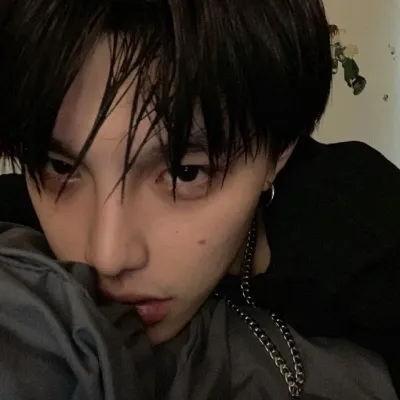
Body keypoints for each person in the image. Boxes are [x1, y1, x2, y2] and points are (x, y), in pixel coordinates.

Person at [0, 0, 399, 397]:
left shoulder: (369, 240)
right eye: (62, 167)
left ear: (278, 153)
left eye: (184, 173)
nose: (107, 257)